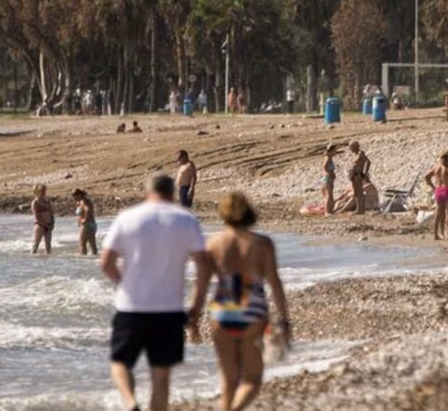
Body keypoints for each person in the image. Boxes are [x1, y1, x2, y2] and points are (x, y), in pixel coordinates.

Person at [101, 174, 210, 411]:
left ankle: (130, 402)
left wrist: (124, 285)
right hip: (169, 309)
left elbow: (106, 262)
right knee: (161, 376)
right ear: (172, 193)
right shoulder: (186, 219)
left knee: (119, 362)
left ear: (146, 192)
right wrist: (196, 307)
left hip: (132, 306)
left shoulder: (128, 217)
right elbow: (204, 266)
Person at [204, 192, 290, 411]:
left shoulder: (213, 243)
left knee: (229, 379)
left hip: (222, 310)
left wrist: (194, 317)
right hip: (252, 309)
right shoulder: (262, 243)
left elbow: (202, 285)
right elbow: (275, 282)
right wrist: (284, 321)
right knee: (252, 379)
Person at [425, 151, 448, 240]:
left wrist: (433, 187)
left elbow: (426, 177)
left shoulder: (437, 167)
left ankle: (436, 235)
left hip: (438, 190)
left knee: (438, 213)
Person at [347, 141, 371, 215]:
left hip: (358, 174)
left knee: (360, 192)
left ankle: (361, 209)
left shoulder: (361, 153)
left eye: (351, 147)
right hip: (354, 175)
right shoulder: (355, 154)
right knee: (356, 193)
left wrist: (365, 173)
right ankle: (358, 208)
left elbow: (368, 162)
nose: (350, 149)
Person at [72, 188, 98, 256]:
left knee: (82, 244)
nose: (74, 198)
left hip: (87, 225)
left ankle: (83, 259)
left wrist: (85, 219)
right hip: (93, 224)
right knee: (92, 244)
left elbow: (88, 210)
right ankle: (94, 258)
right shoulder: (85, 201)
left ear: (79, 195)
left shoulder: (84, 201)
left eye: (74, 196)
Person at [31, 184, 55, 255]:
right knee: (35, 245)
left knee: (48, 247)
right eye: (42, 191)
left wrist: (52, 224)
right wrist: (45, 225)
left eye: (44, 191)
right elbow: (37, 218)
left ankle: (48, 262)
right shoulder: (35, 203)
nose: (44, 193)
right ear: (37, 192)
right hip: (39, 225)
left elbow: (51, 214)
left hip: (48, 224)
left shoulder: (47, 201)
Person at [321, 143, 339, 215]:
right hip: (328, 178)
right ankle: (328, 211)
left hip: (326, 178)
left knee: (328, 195)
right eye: (334, 151)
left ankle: (328, 210)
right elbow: (324, 167)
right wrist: (329, 173)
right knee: (329, 194)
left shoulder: (328, 158)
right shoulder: (328, 158)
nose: (335, 152)